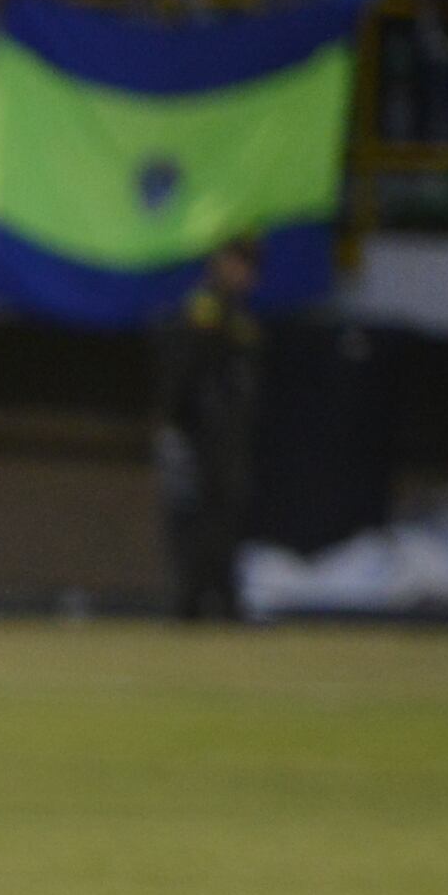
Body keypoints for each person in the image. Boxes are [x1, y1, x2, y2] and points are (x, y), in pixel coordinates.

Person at [155, 234, 264, 623]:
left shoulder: (240, 312)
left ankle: (223, 596)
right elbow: (185, 369)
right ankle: (190, 600)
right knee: (197, 513)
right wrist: (175, 422)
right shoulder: (206, 309)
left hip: (230, 431)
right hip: (202, 430)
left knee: (227, 514)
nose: (246, 274)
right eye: (240, 264)